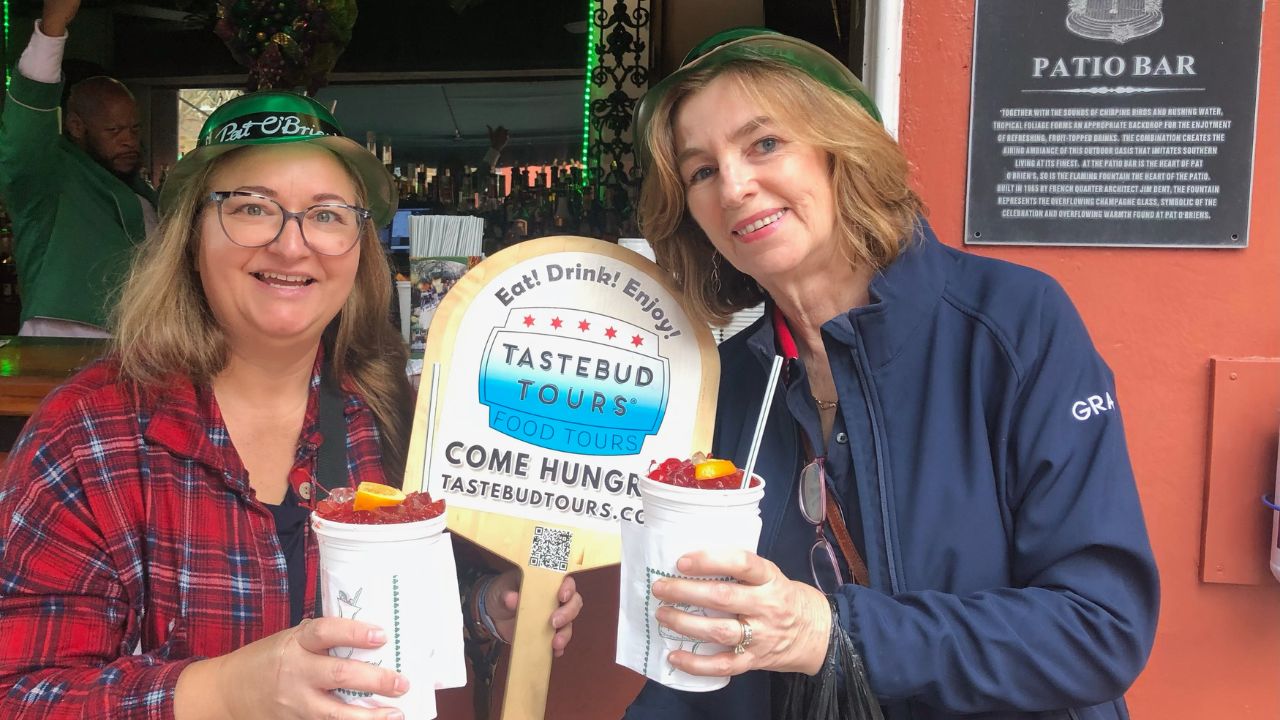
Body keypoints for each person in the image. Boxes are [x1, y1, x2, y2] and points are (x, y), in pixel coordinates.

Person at [624, 28, 1159, 720]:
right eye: (700, 171)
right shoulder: (729, 384)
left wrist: (834, 631)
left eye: (764, 144)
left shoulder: (1012, 325)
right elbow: (703, 649)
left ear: (838, 148)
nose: (733, 186)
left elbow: (1099, 630)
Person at [0, 90, 582, 719]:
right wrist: (225, 693)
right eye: (252, 208)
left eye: (328, 215)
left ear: (359, 252)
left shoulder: (386, 408)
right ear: (191, 234)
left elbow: (406, 615)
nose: (291, 245)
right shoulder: (87, 435)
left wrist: (487, 606)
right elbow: (21, 693)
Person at [0, 0, 157, 337]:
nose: (129, 140)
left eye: (134, 129)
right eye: (114, 131)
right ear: (75, 126)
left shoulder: (141, 190)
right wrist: (53, 28)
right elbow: (24, 130)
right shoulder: (50, 176)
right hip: (65, 345)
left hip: (139, 343)